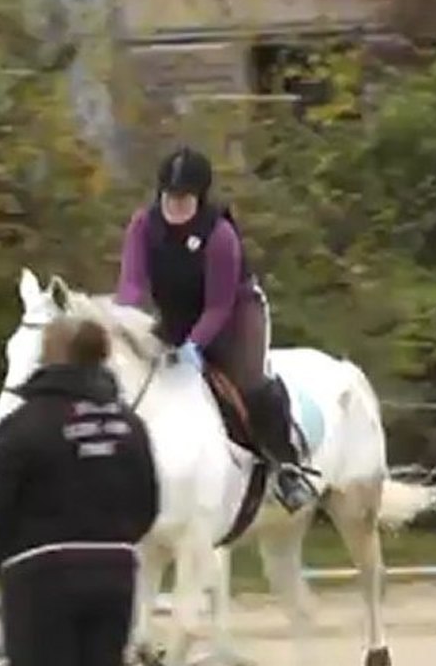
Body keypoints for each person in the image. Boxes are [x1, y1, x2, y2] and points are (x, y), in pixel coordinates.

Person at [114, 144, 314, 513]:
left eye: (183, 198)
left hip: (236, 316)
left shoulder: (219, 234)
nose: (174, 205)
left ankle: (287, 468)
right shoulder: (143, 225)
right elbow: (131, 285)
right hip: (175, 316)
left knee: (250, 384)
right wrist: (120, 323)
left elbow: (218, 305)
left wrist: (194, 345)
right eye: (169, 196)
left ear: (199, 197)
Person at [0, 316, 159, 666]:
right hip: (115, 573)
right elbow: (147, 502)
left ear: (48, 357)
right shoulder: (130, 426)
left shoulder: (23, 425)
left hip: (41, 575)